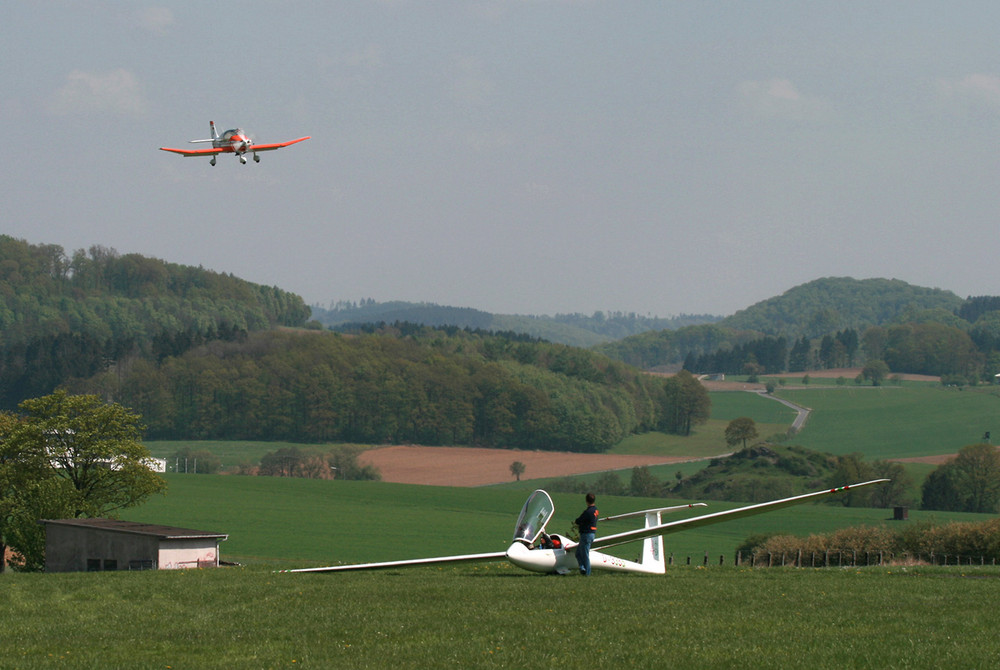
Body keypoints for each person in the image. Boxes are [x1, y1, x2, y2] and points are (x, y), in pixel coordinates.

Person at [574, 492, 598, 576]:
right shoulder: (595, 510)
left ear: (587, 501)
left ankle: (587, 573)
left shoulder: (588, 511)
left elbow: (579, 520)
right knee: (578, 553)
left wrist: (577, 521)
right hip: (592, 534)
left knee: (585, 554)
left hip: (586, 534)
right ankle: (582, 568)